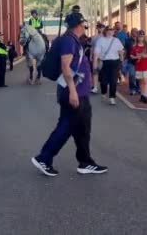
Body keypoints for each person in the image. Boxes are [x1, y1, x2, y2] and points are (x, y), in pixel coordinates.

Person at [31, 12, 108, 177]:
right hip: (73, 92)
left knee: (82, 128)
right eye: (84, 25)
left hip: (79, 92)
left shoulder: (71, 40)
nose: (85, 27)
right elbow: (66, 67)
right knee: (66, 127)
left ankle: (85, 162)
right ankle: (44, 158)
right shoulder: (68, 41)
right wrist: (73, 92)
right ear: (79, 25)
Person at [93, 25, 124, 105]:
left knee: (113, 81)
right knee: (103, 81)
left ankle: (112, 97)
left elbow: (121, 51)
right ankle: (103, 93)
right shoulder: (100, 40)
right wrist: (95, 63)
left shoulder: (116, 40)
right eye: (108, 30)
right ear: (105, 31)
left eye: (112, 30)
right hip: (104, 62)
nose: (110, 31)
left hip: (115, 62)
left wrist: (121, 58)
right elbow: (96, 53)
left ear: (113, 32)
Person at [131, 30, 147, 103]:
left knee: (146, 81)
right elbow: (131, 55)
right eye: (140, 37)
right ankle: (142, 95)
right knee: (141, 82)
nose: (141, 38)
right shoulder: (134, 46)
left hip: (146, 66)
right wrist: (136, 57)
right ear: (137, 37)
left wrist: (145, 56)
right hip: (138, 66)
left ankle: (145, 96)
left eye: (142, 36)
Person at [123, 28, 140, 95]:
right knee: (132, 75)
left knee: (138, 76)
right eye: (134, 31)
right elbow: (125, 50)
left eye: (136, 31)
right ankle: (132, 89)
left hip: (139, 61)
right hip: (131, 60)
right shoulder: (128, 40)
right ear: (131, 32)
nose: (135, 33)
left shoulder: (140, 40)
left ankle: (138, 88)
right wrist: (124, 59)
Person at [90, 23, 105, 94]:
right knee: (95, 72)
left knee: (104, 72)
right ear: (97, 28)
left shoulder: (107, 37)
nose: (101, 29)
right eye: (99, 27)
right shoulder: (94, 37)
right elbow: (92, 47)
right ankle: (95, 87)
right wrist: (91, 55)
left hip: (105, 57)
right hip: (96, 57)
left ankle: (103, 86)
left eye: (102, 27)